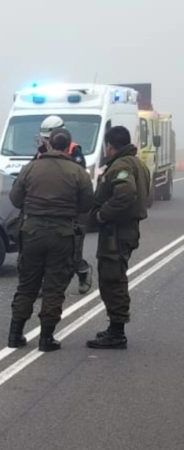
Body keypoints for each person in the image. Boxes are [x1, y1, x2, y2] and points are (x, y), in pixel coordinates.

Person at [8, 128, 94, 352]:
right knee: (54, 287)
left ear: (49, 145)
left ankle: (15, 334)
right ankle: (46, 338)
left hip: (32, 232)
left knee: (27, 284)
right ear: (68, 147)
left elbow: (15, 199)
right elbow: (86, 205)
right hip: (62, 234)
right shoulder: (78, 172)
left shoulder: (30, 168)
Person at [86, 126, 150, 349]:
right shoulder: (137, 163)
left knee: (112, 279)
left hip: (117, 232)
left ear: (111, 146)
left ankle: (117, 332)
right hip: (126, 229)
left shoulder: (122, 165)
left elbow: (126, 193)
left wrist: (103, 214)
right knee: (115, 276)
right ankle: (115, 328)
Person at [36, 115, 92, 294]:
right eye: (44, 138)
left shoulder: (75, 152)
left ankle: (83, 271)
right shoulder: (39, 153)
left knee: (73, 254)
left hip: (73, 212)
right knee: (45, 251)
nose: (46, 142)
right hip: (49, 211)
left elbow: (80, 180)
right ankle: (45, 286)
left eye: (48, 138)